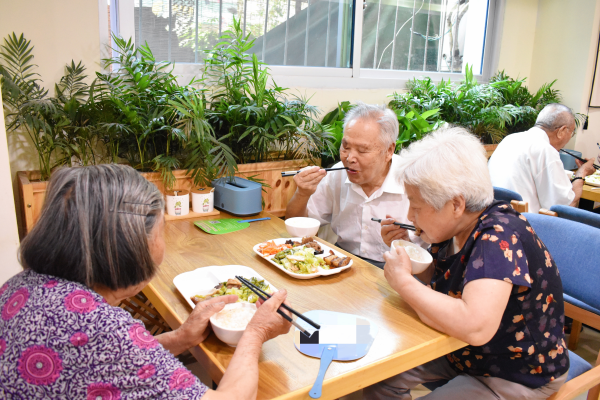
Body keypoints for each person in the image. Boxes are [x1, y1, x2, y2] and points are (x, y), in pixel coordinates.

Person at [0, 164, 291, 399]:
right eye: (161, 230)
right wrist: (256, 331)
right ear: (128, 247)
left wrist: (180, 338)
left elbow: (107, 364)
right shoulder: (102, 329)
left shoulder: (19, 287)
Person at [365, 128, 569, 400]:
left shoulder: (498, 239)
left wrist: (402, 281)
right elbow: (453, 278)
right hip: (461, 350)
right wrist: (415, 263)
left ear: (456, 204)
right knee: (375, 377)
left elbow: (475, 325)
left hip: (513, 370)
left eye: (416, 205)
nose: (410, 216)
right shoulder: (456, 227)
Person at [285, 102, 422, 269]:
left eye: (362, 150)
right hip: (343, 261)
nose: (350, 158)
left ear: (389, 150)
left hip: (400, 267)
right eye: (345, 146)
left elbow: (435, 252)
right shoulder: (337, 174)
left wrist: (406, 244)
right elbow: (297, 225)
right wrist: (302, 193)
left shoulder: (414, 181)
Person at [488, 103, 596, 213]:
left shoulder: (509, 139)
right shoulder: (545, 149)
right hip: (523, 223)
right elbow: (565, 206)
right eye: (571, 133)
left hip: (492, 215)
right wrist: (582, 172)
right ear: (561, 131)